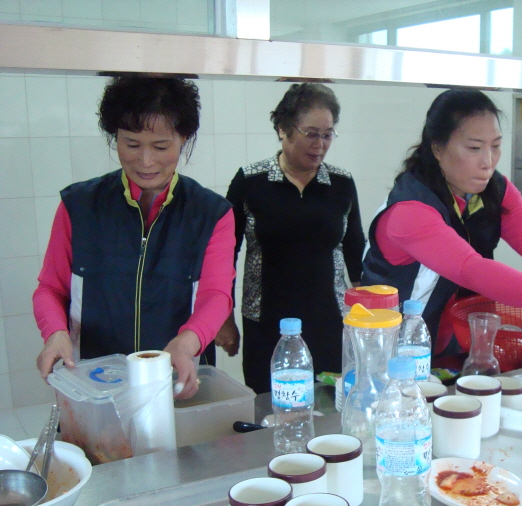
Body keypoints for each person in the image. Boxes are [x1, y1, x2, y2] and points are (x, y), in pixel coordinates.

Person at [361, 88, 522, 361]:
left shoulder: (493, 190)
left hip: (458, 341)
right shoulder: (410, 210)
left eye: (495, 146)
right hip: (394, 350)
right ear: (437, 148)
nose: (487, 162)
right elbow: (470, 268)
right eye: (474, 148)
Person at [33, 75, 236, 400]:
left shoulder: (211, 213)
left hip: (177, 380)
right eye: (131, 144)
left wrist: (187, 343)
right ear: (115, 137)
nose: (145, 161)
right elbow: (51, 288)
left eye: (160, 146)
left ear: (183, 138)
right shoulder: (79, 205)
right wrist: (55, 333)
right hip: (94, 386)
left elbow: (216, 295)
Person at [219, 83, 365, 393]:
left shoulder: (340, 183)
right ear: (283, 129)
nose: (320, 145)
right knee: (270, 405)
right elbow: (224, 254)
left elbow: (355, 250)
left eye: (328, 135)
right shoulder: (251, 181)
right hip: (267, 323)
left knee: (329, 404)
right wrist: (223, 317)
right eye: (311, 134)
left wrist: (371, 317)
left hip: (329, 320)